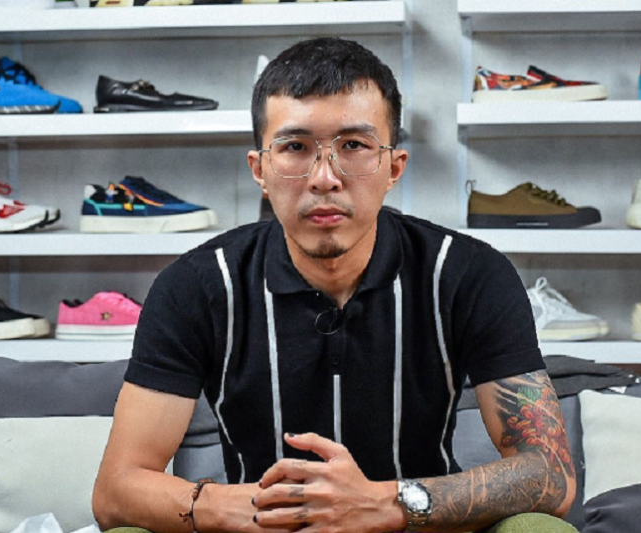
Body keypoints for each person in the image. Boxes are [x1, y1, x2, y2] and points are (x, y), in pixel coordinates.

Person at [93, 37, 577, 533]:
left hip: (413, 527)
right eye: (295, 147)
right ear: (260, 169)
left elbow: (552, 475)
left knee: (540, 530)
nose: (324, 178)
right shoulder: (194, 286)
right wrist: (227, 507)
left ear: (394, 167)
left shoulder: (470, 274)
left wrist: (386, 504)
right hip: (262, 528)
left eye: (354, 146)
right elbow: (115, 490)